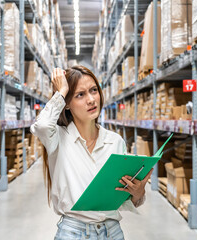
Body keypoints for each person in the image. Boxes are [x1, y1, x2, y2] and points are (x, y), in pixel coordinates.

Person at [30, 66, 152, 240]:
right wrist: (61, 91)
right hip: (73, 233)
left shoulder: (115, 141)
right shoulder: (57, 138)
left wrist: (138, 194)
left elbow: (119, 199)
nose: (91, 99)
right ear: (67, 104)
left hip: (113, 232)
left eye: (93, 91)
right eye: (80, 94)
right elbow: (41, 126)